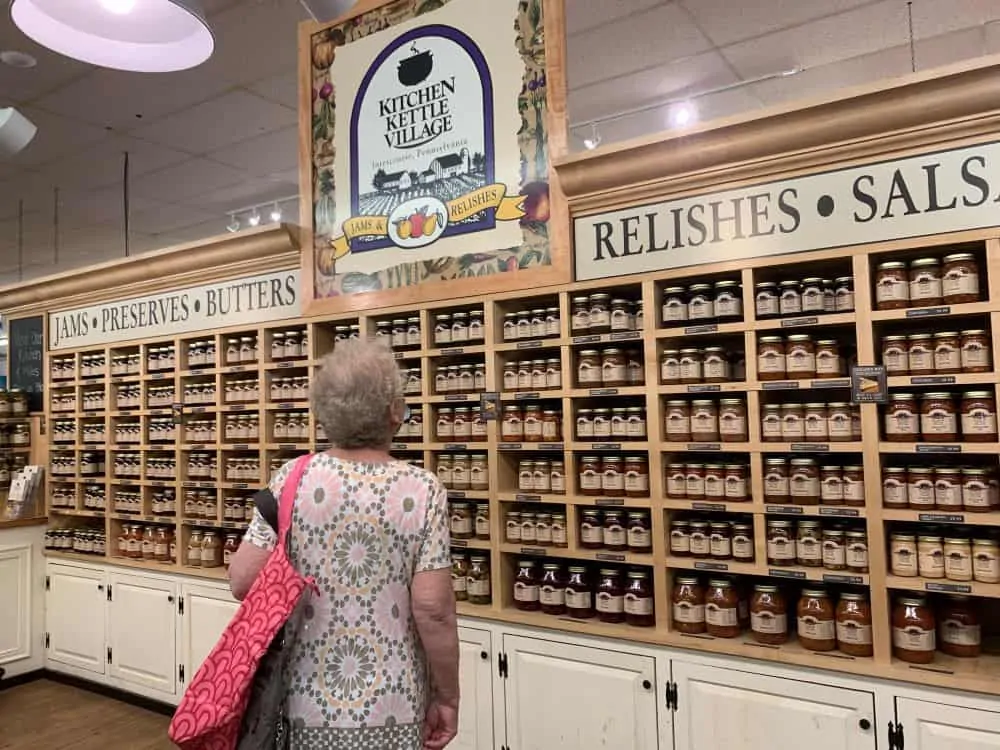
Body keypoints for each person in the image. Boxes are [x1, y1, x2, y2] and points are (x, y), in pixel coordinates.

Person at [229, 336, 459, 750]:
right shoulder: (423, 490)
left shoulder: (291, 479)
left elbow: (242, 580)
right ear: (394, 411)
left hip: (302, 702)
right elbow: (433, 609)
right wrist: (448, 697)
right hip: (394, 705)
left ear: (324, 412)